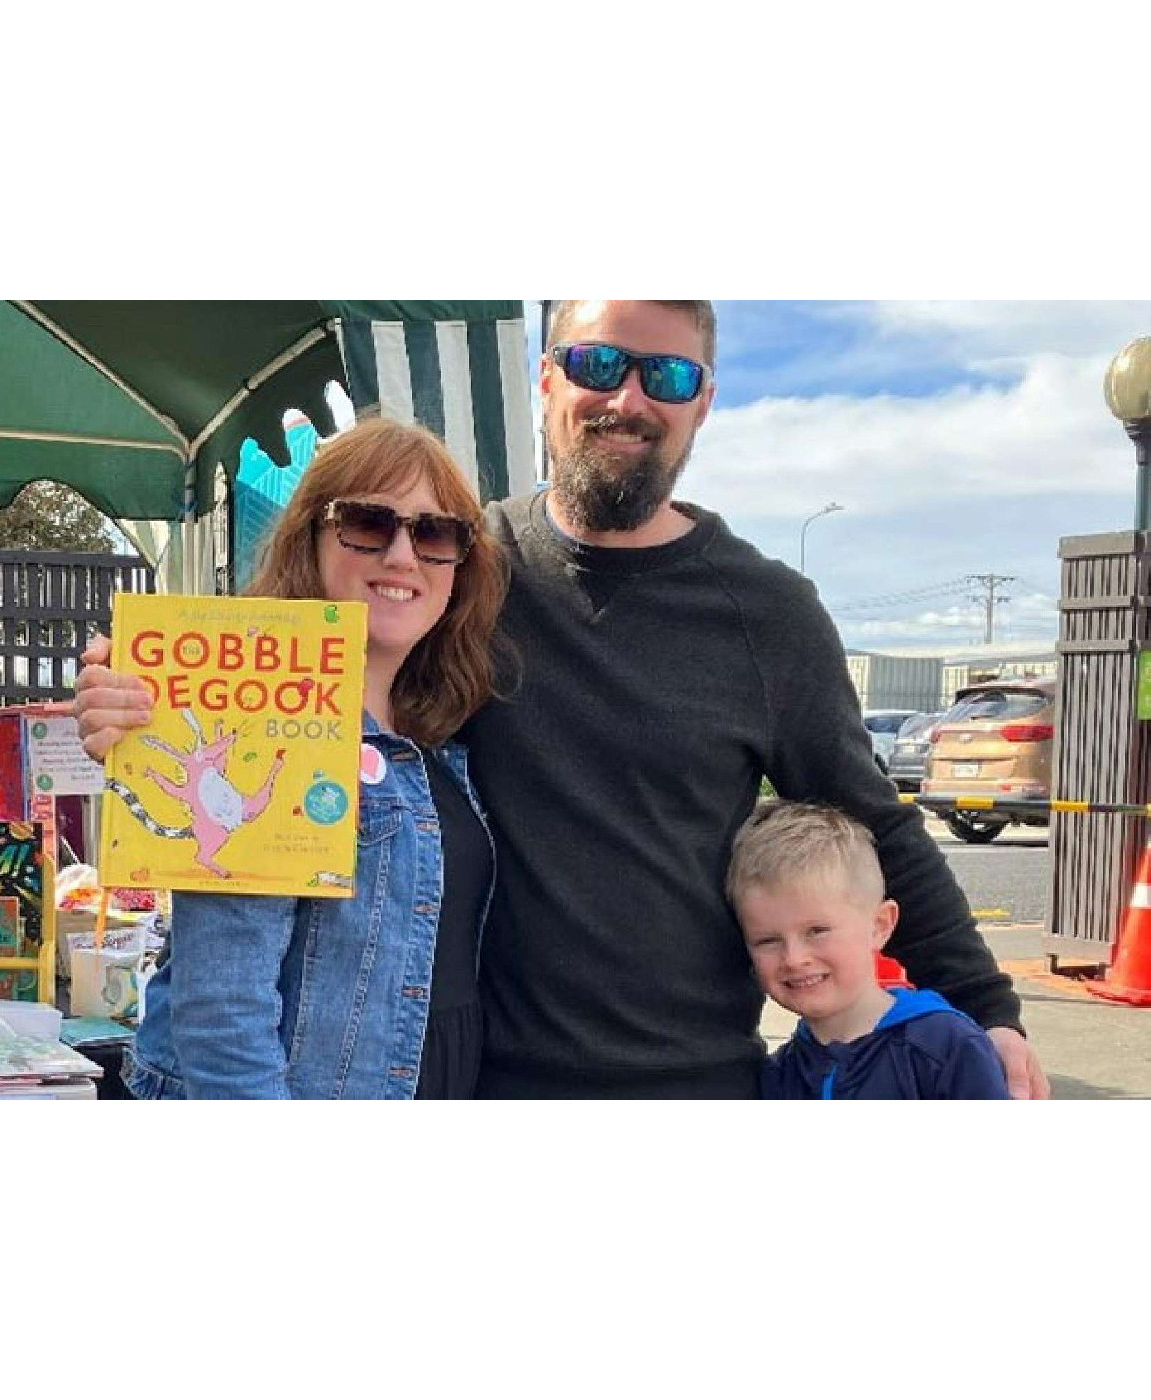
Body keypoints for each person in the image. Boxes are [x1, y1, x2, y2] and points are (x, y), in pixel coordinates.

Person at [76, 299, 1049, 1100]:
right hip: (479, 1080)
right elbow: (259, 693)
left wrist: (986, 1007)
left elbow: (869, 819)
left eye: (663, 376)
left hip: (692, 1087)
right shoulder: (473, 566)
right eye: (595, 363)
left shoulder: (764, 610)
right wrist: (141, 697)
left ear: (700, 403)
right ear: (547, 383)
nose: (626, 396)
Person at [90, 417, 508, 1098]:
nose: (402, 555)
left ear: (462, 564)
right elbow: (222, 1015)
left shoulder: (449, 734)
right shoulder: (260, 717)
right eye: (369, 523)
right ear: (310, 537)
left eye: (435, 534)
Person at [727, 801, 1010, 1099]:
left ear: (879, 926)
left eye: (817, 931)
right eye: (768, 940)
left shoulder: (949, 1048)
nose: (794, 959)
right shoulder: (778, 1074)